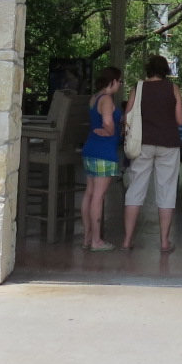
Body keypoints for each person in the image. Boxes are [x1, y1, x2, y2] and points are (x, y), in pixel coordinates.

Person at [123, 54, 182, 253]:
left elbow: (127, 116)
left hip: (142, 143)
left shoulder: (138, 88)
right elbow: (180, 120)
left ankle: (127, 241)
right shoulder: (173, 88)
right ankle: (164, 242)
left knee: (135, 188)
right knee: (166, 191)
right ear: (165, 70)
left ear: (148, 69)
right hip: (168, 143)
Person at [79, 66, 124, 252]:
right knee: (99, 196)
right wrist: (111, 131)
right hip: (104, 152)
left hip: (90, 148)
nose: (120, 84)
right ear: (112, 81)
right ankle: (97, 241)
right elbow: (107, 121)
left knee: (89, 193)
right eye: (119, 81)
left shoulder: (95, 97)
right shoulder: (106, 99)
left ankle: (87, 237)